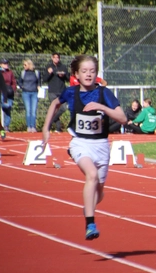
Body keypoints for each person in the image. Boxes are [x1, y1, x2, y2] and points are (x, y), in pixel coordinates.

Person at [42, 54, 126, 240]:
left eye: (92, 71)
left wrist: (101, 107)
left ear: (96, 74)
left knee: (99, 192)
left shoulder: (104, 93)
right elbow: (55, 104)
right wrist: (45, 128)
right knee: (92, 175)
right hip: (80, 144)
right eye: (84, 71)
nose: (88, 74)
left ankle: (88, 208)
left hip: (102, 146)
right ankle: (90, 223)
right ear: (76, 75)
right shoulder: (71, 92)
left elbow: (122, 118)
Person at [45, 52, 70, 133]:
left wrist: (64, 75)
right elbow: (44, 79)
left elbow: (68, 78)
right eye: (55, 57)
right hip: (52, 91)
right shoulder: (49, 67)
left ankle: (50, 122)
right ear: (52, 58)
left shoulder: (63, 67)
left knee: (63, 108)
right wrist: (49, 73)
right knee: (54, 109)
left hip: (62, 91)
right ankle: (58, 128)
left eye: (57, 57)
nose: (56, 59)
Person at [18, 59, 41, 132]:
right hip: (26, 93)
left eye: (25, 65)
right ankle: (29, 126)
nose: (24, 66)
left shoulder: (36, 72)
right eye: (23, 65)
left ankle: (33, 126)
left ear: (29, 65)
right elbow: (19, 82)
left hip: (34, 93)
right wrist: (22, 87)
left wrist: (38, 86)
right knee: (28, 110)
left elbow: (39, 82)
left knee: (33, 110)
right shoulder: (23, 73)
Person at [0, 59, 16, 132]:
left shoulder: (10, 72)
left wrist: (13, 89)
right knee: (5, 106)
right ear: (0, 64)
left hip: (9, 92)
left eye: (7, 63)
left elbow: (13, 82)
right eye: (4, 63)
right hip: (2, 92)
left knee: (8, 110)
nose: (6, 65)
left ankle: (6, 126)